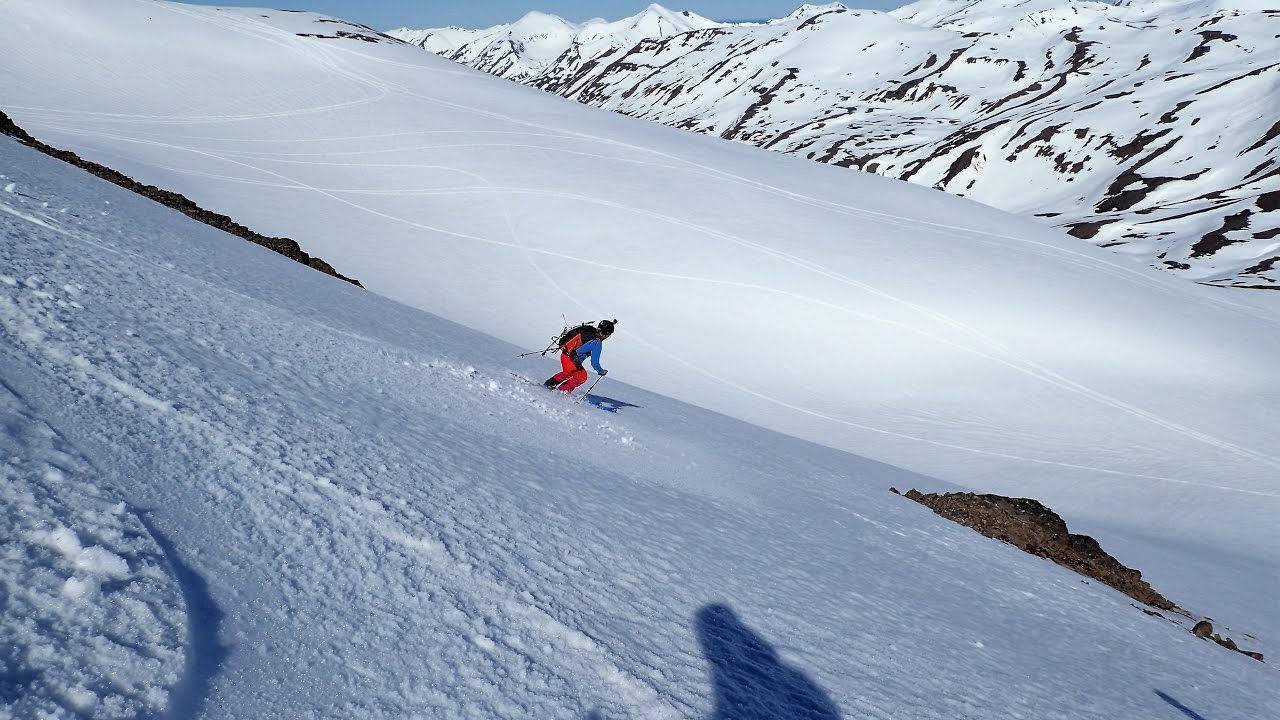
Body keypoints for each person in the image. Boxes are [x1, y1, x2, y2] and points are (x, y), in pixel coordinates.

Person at [544, 319, 615, 392]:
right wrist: (601, 371)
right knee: (582, 377)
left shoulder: (588, 330)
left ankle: (547, 385)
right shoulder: (597, 343)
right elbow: (594, 362)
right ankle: (561, 393)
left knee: (567, 373)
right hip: (572, 361)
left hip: (564, 355)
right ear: (606, 334)